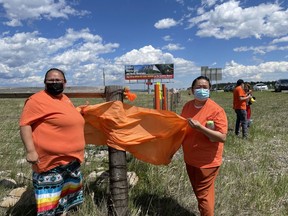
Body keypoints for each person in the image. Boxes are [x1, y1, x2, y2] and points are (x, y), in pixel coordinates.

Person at [19, 68, 85, 216]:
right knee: (49, 207)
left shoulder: (65, 99)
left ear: (64, 83)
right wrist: (30, 151)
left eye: (58, 80)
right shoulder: (36, 100)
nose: (54, 83)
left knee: (65, 203)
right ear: (45, 82)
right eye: (51, 80)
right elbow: (25, 124)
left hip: (71, 161)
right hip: (50, 164)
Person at [181, 76, 228, 216]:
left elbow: (222, 137)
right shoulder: (187, 107)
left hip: (207, 162)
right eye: (198, 87)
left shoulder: (216, 110)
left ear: (209, 90)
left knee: (203, 196)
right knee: (201, 192)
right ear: (192, 89)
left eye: (205, 87)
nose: (201, 90)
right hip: (190, 159)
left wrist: (200, 128)